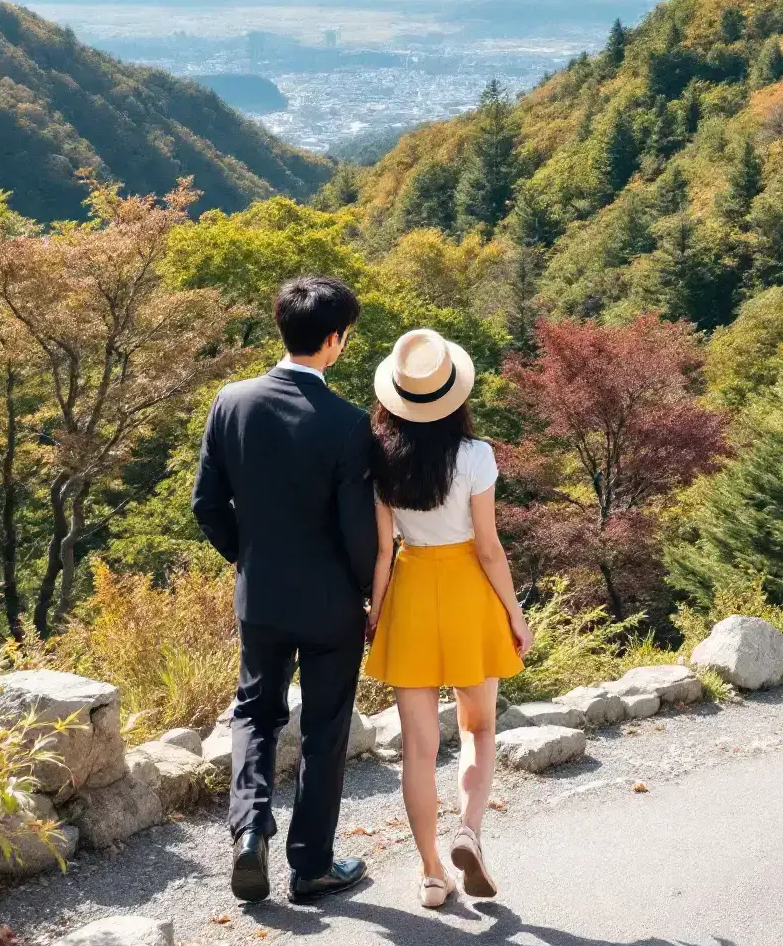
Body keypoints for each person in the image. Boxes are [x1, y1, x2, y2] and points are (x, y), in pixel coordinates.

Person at [192, 275, 378, 905]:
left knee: (255, 714)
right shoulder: (349, 424)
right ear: (335, 340)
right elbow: (360, 533)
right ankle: (311, 866)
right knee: (325, 729)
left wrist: (248, 558)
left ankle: (249, 835)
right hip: (331, 606)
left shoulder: (231, 402)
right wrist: (367, 593)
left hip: (262, 596)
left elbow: (207, 505)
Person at [364, 327, 533, 910]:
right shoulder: (476, 456)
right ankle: (469, 831)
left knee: (417, 746)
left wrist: (376, 614)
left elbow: (382, 552)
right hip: (467, 593)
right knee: (478, 728)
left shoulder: (380, 457)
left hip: (410, 593)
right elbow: (489, 548)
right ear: (453, 395)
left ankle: (433, 873)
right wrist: (515, 613)